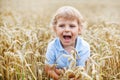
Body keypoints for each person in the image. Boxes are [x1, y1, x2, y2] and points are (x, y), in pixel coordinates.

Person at [44, 6, 90, 80]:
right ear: (55, 28)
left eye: (72, 26)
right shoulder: (52, 46)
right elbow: (49, 69)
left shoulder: (84, 46)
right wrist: (61, 78)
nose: (67, 29)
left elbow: (82, 71)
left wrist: (62, 72)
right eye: (62, 26)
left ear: (79, 29)